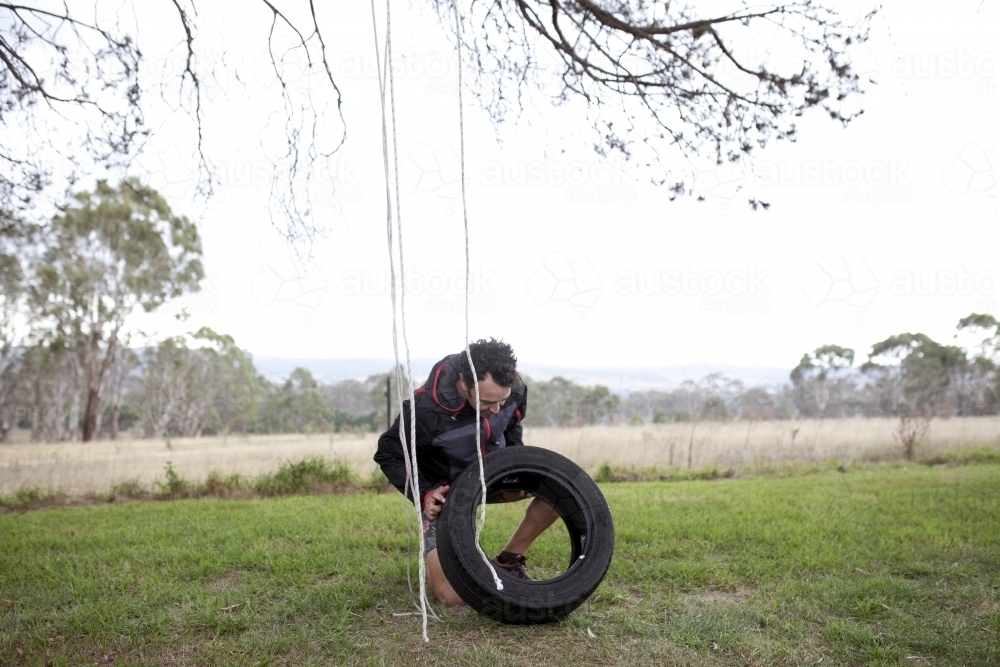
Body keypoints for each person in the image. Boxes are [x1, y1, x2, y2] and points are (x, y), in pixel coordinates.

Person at [374, 338, 559, 607]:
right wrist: (425, 493)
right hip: (445, 493)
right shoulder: (422, 411)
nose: (496, 409)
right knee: (452, 597)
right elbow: (388, 454)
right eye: (487, 401)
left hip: (492, 478)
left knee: (558, 488)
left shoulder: (514, 390)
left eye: (502, 400)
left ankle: (508, 561)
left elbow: (510, 426)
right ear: (464, 382)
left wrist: (517, 467)